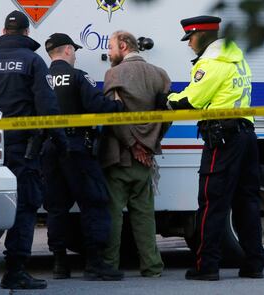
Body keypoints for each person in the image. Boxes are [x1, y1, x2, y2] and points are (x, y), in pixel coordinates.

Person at [0, 10, 67, 290]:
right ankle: (15, 271)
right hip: (23, 149)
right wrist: (61, 142)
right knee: (25, 207)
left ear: (4, 33)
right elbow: (47, 106)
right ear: (26, 34)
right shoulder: (33, 61)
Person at [157, 15, 264, 281]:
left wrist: (166, 99)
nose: (189, 44)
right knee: (247, 202)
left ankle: (207, 266)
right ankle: (254, 264)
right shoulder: (237, 59)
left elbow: (192, 101)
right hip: (246, 135)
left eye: (191, 38)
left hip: (223, 138)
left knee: (211, 203)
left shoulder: (212, 62)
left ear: (203, 35)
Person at [42, 33, 125, 281]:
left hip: (48, 148)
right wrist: (118, 107)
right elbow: (97, 105)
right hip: (76, 147)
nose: (75, 55)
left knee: (56, 207)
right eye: (74, 50)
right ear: (67, 50)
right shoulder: (77, 77)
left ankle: (59, 264)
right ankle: (95, 264)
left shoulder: (41, 78)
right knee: (94, 202)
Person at [100, 31, 171, 277]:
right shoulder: (160, 75)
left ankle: (109, 265)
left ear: (123, 45)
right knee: (144, 216)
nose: (108, 53)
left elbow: (114, 117)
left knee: (114, 215)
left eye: (110, 48)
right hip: (145, 159)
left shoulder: (114, 74)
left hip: (120, 156)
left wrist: (133, 144)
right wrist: (150, 145)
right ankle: (152, 266)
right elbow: (167, 117)